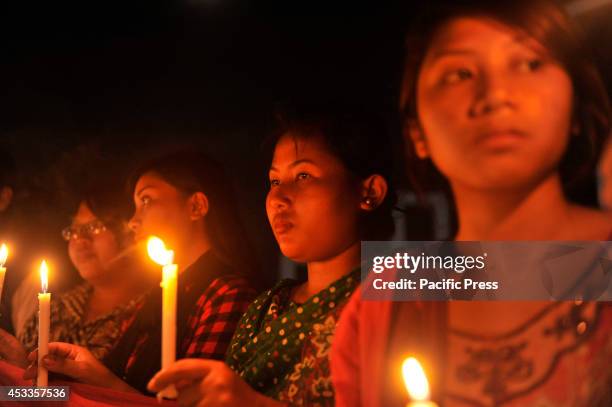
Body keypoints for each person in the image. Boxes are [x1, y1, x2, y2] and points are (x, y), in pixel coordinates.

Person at [331, 1, 612, 406]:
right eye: (459, 74)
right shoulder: (384, 305)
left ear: (575, 107)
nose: (495, 95)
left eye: (530, 64)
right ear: (417, 133)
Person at [145, 105, 398, 406]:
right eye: (275, 181)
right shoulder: (263, 310)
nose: (277, 199)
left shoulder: (400, 299)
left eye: (303, 176)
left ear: (369, 192)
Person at [24, 151, 257, 394]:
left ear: (196, 206)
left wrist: (106, 382)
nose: (133, 221)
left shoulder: (227, 295)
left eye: (146, 201)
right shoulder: (155, 298)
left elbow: (194, 400)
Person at [0, 179, 153, 368]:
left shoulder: (153, 313)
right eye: (74, 230)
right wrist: (20, 365)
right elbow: (34, 390)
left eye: (94, 227)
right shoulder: (56, 309)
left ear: (132, 230)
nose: (80, 239)